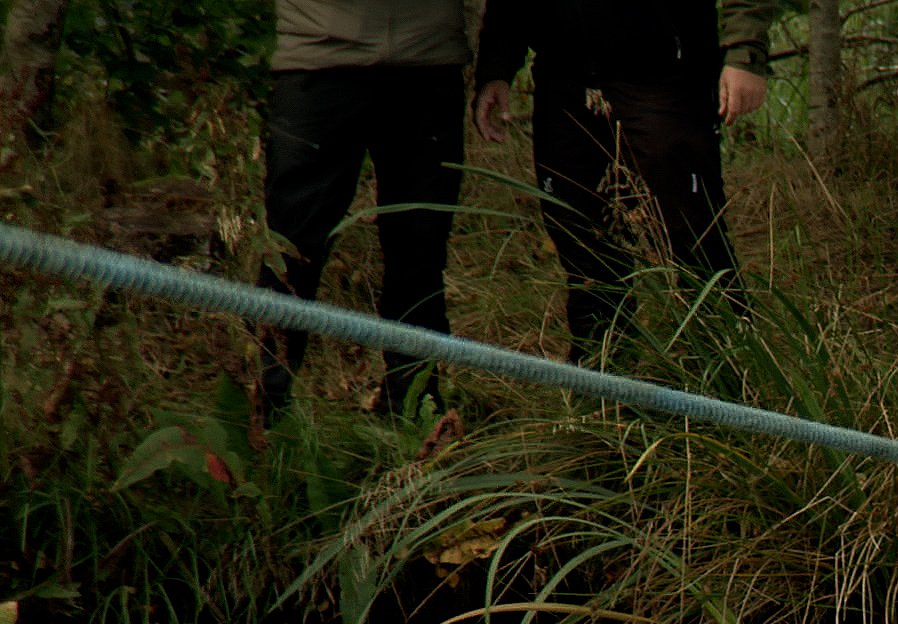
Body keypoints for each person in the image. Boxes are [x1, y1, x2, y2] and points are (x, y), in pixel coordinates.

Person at [471, 1, 774, 362]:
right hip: (563, 75)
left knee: (692, 232)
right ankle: (604, 379)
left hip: (665, 72)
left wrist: (745, 53)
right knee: (578, 233)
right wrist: (496, 66)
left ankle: (726, 378)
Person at [255, 0, 474, 423]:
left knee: (420, 250)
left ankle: (415, 415)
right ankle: (265, 418)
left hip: (429, 61)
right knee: (291, 248)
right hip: (318, 58)